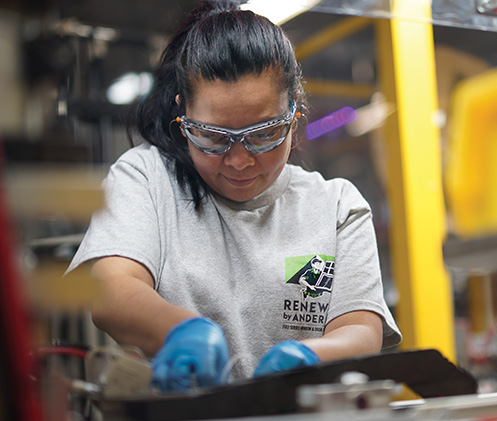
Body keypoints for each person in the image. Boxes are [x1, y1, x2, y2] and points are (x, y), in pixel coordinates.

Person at [67, 0, 401, 393]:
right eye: (213, 137)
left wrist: (312, 357)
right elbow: (109, 290)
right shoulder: (147, 179)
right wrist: (182, 330)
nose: (240, 160)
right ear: (183, 113)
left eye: (263, 134)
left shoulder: (336, 207)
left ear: (294, 112)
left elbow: (360, 329)